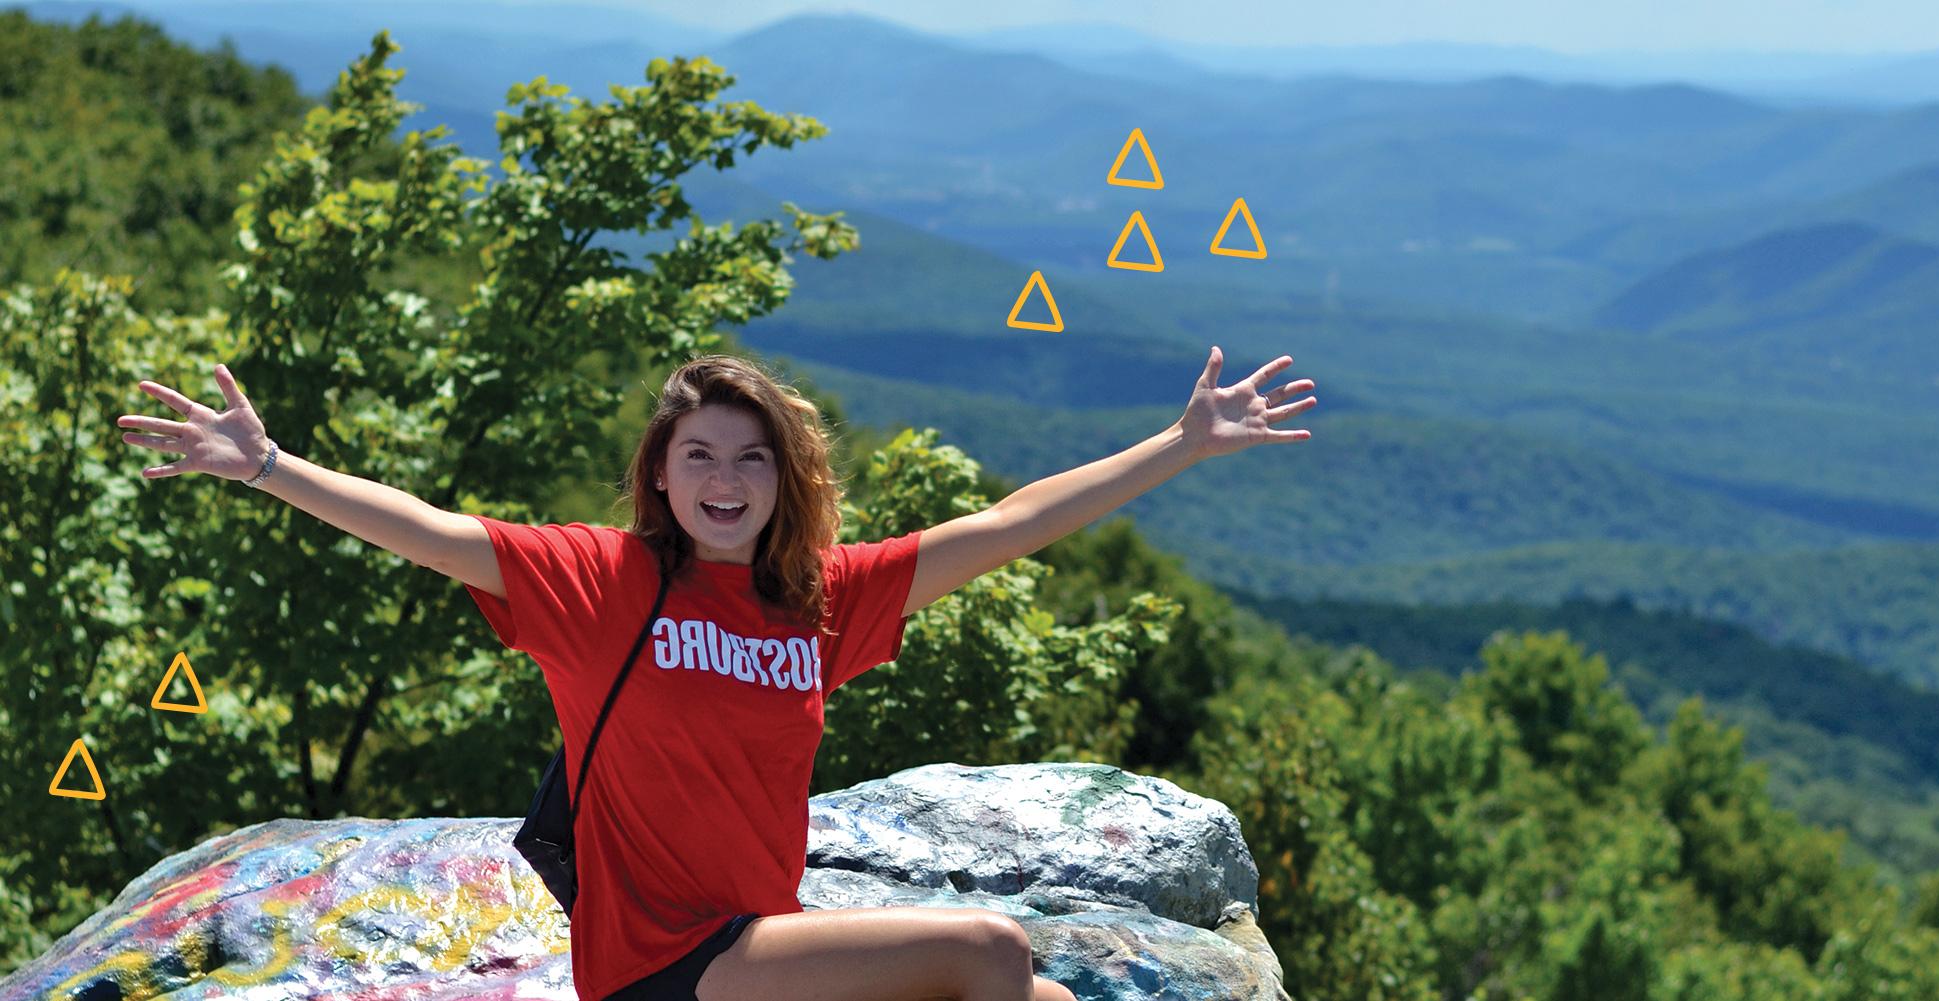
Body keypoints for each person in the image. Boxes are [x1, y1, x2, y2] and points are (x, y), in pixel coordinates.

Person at [115, 348, 1316, 1001]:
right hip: (660, 968)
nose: (726, 476)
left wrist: (1183, 442)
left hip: (759, 951)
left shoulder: (820, 599)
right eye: (700, 454)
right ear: (663, 474)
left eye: (752, 455)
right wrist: (268, 464)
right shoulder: (603, 583)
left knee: (1037, 1000)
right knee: (993, 953)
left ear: (786, 476)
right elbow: (427, 526)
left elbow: (1007, 522)